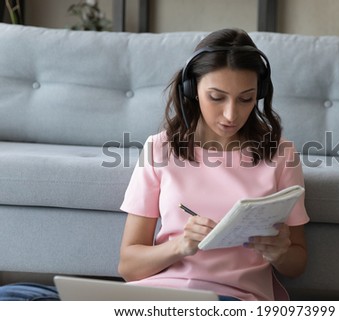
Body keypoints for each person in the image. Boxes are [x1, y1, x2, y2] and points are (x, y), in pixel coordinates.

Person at [118, 28, 309, 301]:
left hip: (234, 300)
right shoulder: (159, 148)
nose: (231, 114)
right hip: (158, 297)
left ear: (260, 94)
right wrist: (179, 246)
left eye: (246, 99)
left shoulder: (282, 154)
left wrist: (280, 252)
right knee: (35, 298)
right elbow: (128, 267)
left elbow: (297, 263)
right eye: (217, 97)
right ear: (192, 89)